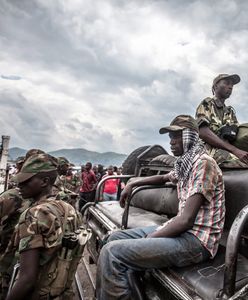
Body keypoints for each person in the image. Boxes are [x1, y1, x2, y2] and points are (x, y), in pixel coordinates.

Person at [96, 115, 225, 300]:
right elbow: (164, 178)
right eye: (170, 137)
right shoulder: (185, 163)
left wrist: (149, 239)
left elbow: (186, 220)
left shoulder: (203, 163)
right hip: (183, 232)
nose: (171, 142)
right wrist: (133, 184)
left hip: (197, 241)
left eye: (176, 136)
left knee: (112, 253)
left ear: (190, 136)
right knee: (113, 237)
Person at [6, 153, 82, 300]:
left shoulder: (33, 215)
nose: (19, 185)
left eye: (26, 181)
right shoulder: (68, 209)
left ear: (44, 181)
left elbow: (27, 280)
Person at [195, 73, 248, 168]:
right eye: (227, 83)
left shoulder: (230, 111)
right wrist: (234, 150)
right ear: (215, 86)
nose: (230, 87)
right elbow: (203, 132)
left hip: (226, 150)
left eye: (232, 85)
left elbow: (235, 135)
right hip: (208, 151)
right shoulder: (207, 104)